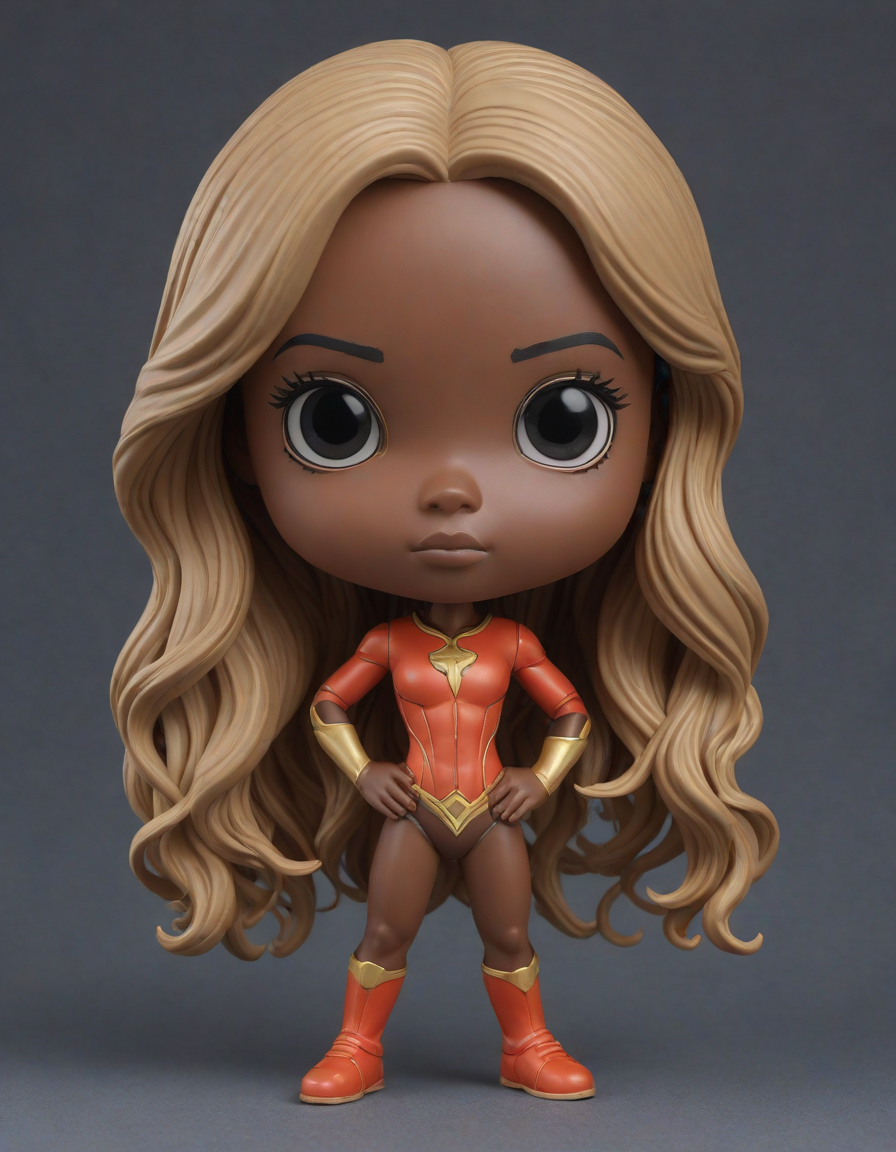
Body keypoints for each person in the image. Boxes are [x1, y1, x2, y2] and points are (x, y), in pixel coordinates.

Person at [112, 40, 778, 1106]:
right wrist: (363, 774)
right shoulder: (388, 645)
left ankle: (527, 1046)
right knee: (386, 931)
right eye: (334, 419)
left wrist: (539, 782)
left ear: (664, 421)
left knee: (508, 934)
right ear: (230, 426)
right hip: (415, 803)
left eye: (565, 419)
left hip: (489, 808)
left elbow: (566, 718)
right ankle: (356, 1047)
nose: (453, 491)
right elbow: (332, 708)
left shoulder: (515, 646)